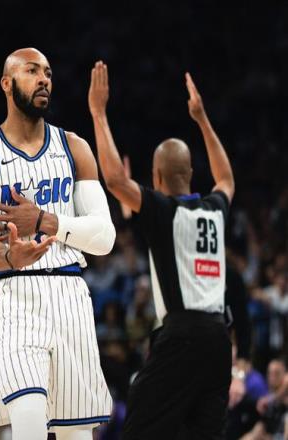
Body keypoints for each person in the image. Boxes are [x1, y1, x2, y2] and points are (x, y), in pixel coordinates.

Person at [0, 48, 116, 439]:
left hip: (69, 294)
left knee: (75, 435)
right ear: (7, 83)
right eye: (32, 71)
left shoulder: (75, 148)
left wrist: (45, 221)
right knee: (28, 423)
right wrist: (11, 255)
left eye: (47, 72)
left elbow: (105, 237)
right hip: (14, 297)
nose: (44, 79)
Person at [88, 61, 235, 438]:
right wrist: (202, 120)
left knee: (140, 423)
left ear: (155, 178)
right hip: (220, 340)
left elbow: (115, 180)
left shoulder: (164, 211)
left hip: (182, 335)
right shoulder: (214, 210)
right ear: (191, 174)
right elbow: (225, 178)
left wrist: (98, 112)